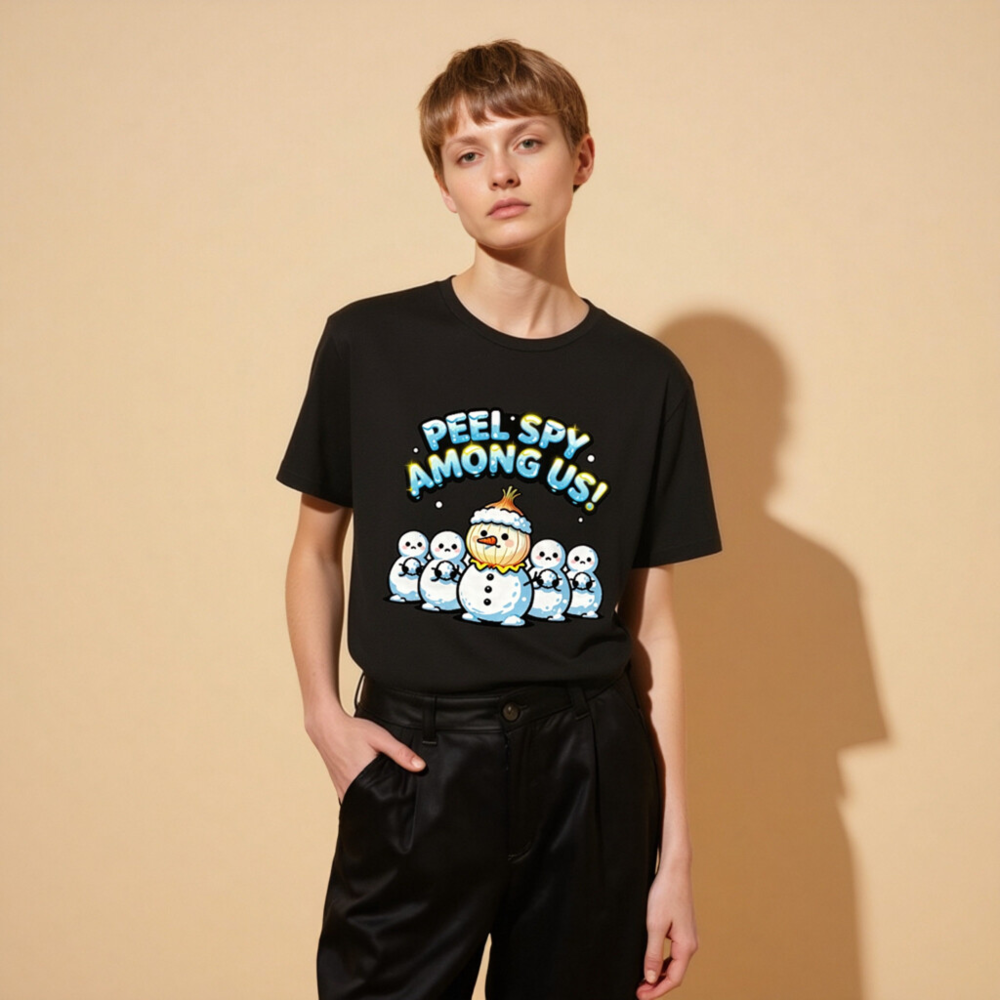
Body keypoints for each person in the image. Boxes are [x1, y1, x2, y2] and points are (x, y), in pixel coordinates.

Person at [277, 39, 722, 1000]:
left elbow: (654, 627)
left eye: (528, 142)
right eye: (469, 155)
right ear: (444, 185)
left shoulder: (647, 380)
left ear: (582, 158)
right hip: (419, 757)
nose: (502, 174)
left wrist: (673, 858)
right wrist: (325, 717)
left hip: (590, 765)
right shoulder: (369, 343)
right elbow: (315, 551)